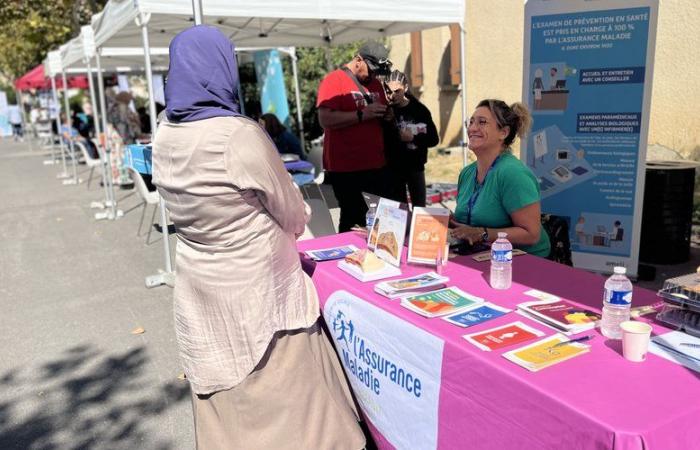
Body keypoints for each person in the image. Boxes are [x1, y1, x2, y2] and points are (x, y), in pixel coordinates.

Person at [152, 26, 365, 450]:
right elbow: (291, 210)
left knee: (229, 403)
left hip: (201, 281)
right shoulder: (236, 134)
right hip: (259, 286)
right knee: (287, 402)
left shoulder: (164, 133)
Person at [451, 99, 550, 257]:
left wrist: (482, 233)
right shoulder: (467, 173)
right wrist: (449, 220)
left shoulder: (513, 174)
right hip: (482, 255)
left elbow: (531, 235)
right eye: (471, 122)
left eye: (482, 122)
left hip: (525, 261)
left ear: (503, 132)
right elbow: (471, 220)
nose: (472, 128)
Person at [317, 41, 393, 232]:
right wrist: (362, 114)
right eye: (372, 69)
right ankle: (348, 255)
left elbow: (381, 114)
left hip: (376, 164)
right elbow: (325, 119)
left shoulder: (375, 83)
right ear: (359, 60)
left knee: (381, 217)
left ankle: (378, 257)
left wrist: (388, 115)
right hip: (346, 168)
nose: (374, 75)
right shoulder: (334, 80)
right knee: (353, 216)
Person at [384, 70, 438, 207]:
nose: (392, 95)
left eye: (397, 91)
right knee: (398, 212)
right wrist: (387, 123)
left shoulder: (419, 110)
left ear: (406, 88)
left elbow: (433, 139)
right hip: (393, 168)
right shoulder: (386, 111)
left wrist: (413, 137)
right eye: (389, 91)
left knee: (419, 210)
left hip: (415, 167)